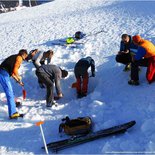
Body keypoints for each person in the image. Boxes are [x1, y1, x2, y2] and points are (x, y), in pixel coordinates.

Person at [0, 49, 28, 119]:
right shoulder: (19, 58)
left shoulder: (14, 57)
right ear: (23, 54)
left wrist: (18, 81)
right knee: (10, 94)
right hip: (3, 73)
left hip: (3, 72)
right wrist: (19, 78)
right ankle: (13, 113)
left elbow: (12, 73)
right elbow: (15, 70)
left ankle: (13, 112)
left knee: (10, 94)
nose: (26, 57)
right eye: (26, 55)